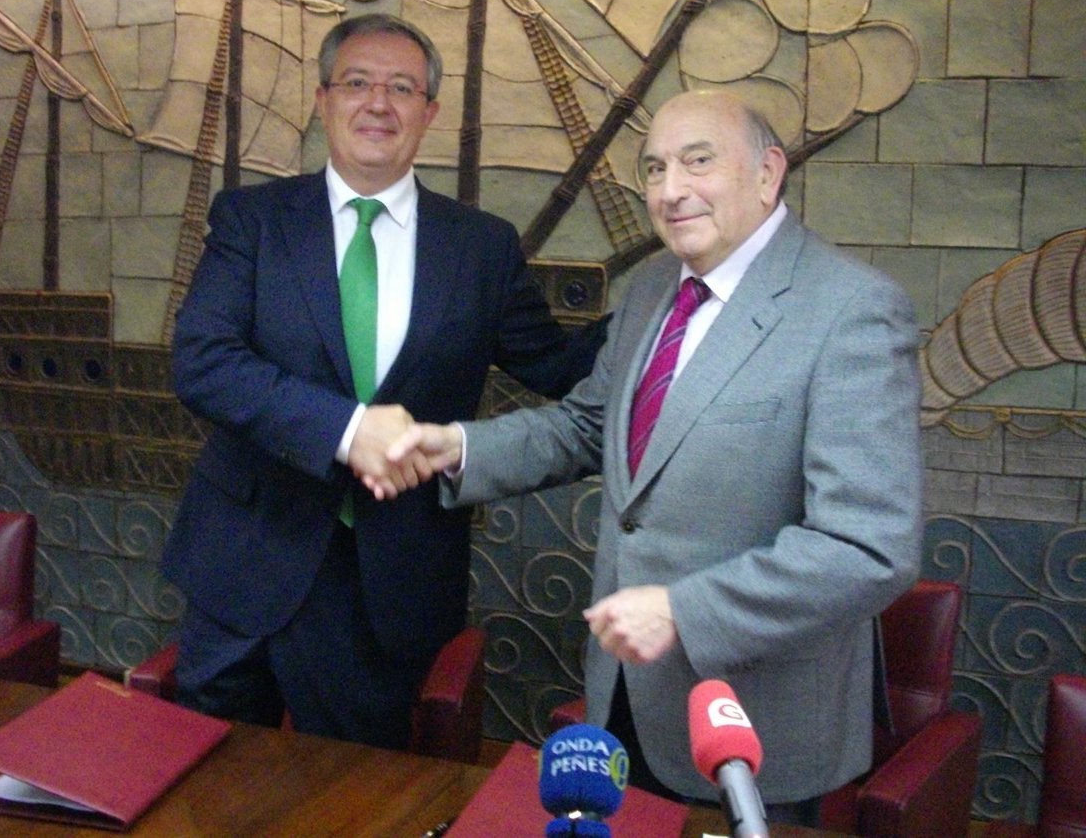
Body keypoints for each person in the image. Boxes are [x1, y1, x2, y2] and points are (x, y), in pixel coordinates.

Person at [376, 89, 923, 823]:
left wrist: (684, 611)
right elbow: (587, 426)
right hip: (626, 693)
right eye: (655, 168)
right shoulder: (650, 290)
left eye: (698, 162)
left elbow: (868, 546)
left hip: (752, 718)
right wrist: (457, 446)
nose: (670, 191)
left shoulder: (851, 310)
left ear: (768, 173)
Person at [161, 13, 606, 748]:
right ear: (323, 100)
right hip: (246, 564)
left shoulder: (482, 247)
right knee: (209, 779)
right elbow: (204, 362)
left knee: (359, 790)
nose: (378, 103)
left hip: (390, 583)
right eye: (357, 83)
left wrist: (671, 304)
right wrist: (347, 430)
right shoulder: (254, 220)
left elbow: (559, 367)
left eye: (402, 88)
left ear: (429, 112)